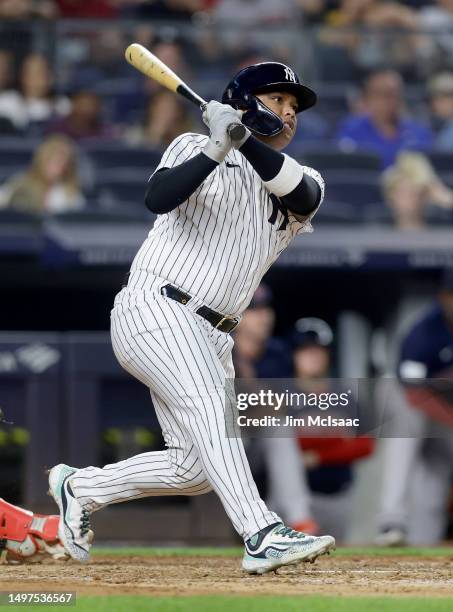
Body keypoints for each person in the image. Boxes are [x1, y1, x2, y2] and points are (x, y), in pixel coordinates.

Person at [47, 61, 335, 575]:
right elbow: (158, 197)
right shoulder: (190, 147)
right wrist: (216, 146)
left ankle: (80, 488)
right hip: (158, 308)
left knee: (194, 468)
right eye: (277, 102)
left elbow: (303, 196)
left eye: (294, 109)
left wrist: (243, 138)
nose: (289, 115)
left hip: (215, 334)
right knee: (207, 406)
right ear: (244, 101)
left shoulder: (303, 177)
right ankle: (261, 532)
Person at [376, 267, 453, 546]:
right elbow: (414, 394)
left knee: (441, 464)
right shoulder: (424, 332)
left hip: (450, 409)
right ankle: (391, 521)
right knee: (406, 430)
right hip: (406, 397)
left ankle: (426, 541)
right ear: (444, 297)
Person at [233, 285, 319, 535]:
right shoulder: (217, 347)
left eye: (265, 309)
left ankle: (299, 518)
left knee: (277, 428)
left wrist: (249, 385)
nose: (263, 316)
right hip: (221, 440)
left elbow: (279, 407)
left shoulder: (278, 354)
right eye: (253, 311)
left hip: (257, 442)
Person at [289, 318, 375, 541]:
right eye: (306, 350)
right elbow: (281, 446)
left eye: (319, 350)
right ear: (294, 354)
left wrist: (318, 454)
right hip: (293, 497)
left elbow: (365, 445)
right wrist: (336, 437)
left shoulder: (345, 397)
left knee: (335, 567)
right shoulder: (281, 396)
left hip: (339, 495)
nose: (314, 356)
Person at [337, 69, 432, 168]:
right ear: (368, 99)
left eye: (395, 94)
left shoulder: (419, 133)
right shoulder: (351, 130)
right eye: (383, 95)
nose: (391, 101)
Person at [381, 152, 453, 229]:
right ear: (390, 195)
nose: (410, 199)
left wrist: (452, 200)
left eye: (416, 193)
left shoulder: (444, 227)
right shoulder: (375, 228)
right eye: (402, 192)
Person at [0, 134, 85, 215]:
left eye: (64, 163)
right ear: (42, 161)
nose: (59, 167)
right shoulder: (20, 184)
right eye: (54, 162)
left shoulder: (71, 195)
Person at [0, 53, 70, 133]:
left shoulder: (63, 106)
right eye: (37, 72)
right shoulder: (5, 103)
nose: (43, 77)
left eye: (46, 71)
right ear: (23, 76)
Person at [124, 90, 196, 149]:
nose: (166, 113)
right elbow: (138, 159)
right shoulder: (135, 134)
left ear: (179, 112)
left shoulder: (192, 134)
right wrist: (155, 134)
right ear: (152, 109)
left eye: (170, 108)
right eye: (161, 108)